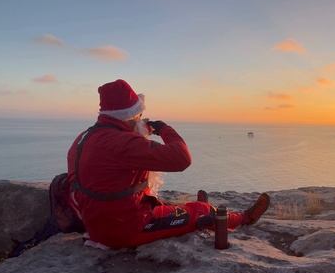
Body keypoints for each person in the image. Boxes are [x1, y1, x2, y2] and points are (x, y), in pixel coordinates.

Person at [66, 79, 270, 249]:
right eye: (139, 114)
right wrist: (164, 129)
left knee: (170, 206)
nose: (141, 118)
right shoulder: (122, 142)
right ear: (131, 115)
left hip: (98, 225)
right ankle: (242, 218)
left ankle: (203, 207)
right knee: (198, 212)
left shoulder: (84, 137)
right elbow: (182, 159)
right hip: (125, 230)